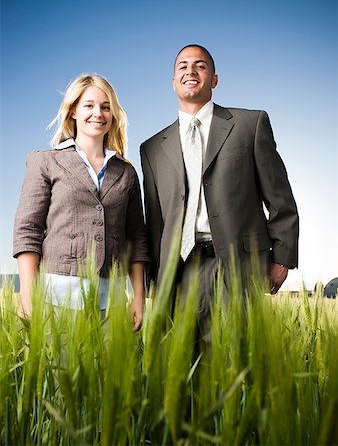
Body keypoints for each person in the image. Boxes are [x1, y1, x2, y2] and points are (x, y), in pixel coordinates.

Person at [140, 44, 299, 331]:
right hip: (177, 271)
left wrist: (283, 259)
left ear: (214, 79)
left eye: (200, 65)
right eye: (182, 66)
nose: (190, 70)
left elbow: (280, 199)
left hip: (236, 267)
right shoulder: (151, 149)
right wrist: (152, 277)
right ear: (173, 81)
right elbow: (154, 220)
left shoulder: (250, 125)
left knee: (233, 365)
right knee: (182, 367)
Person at [13, 74, 149, 330]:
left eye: (105, 106)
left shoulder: (126, 172)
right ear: (73, 111)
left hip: (114, 304)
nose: (98, 113)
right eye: (89, 105)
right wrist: (28, 294)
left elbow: (137, 239)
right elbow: (28, 231)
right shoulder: (45, 162)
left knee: (115, 372)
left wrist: (139, 297)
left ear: (113, 114)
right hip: (56, 303)